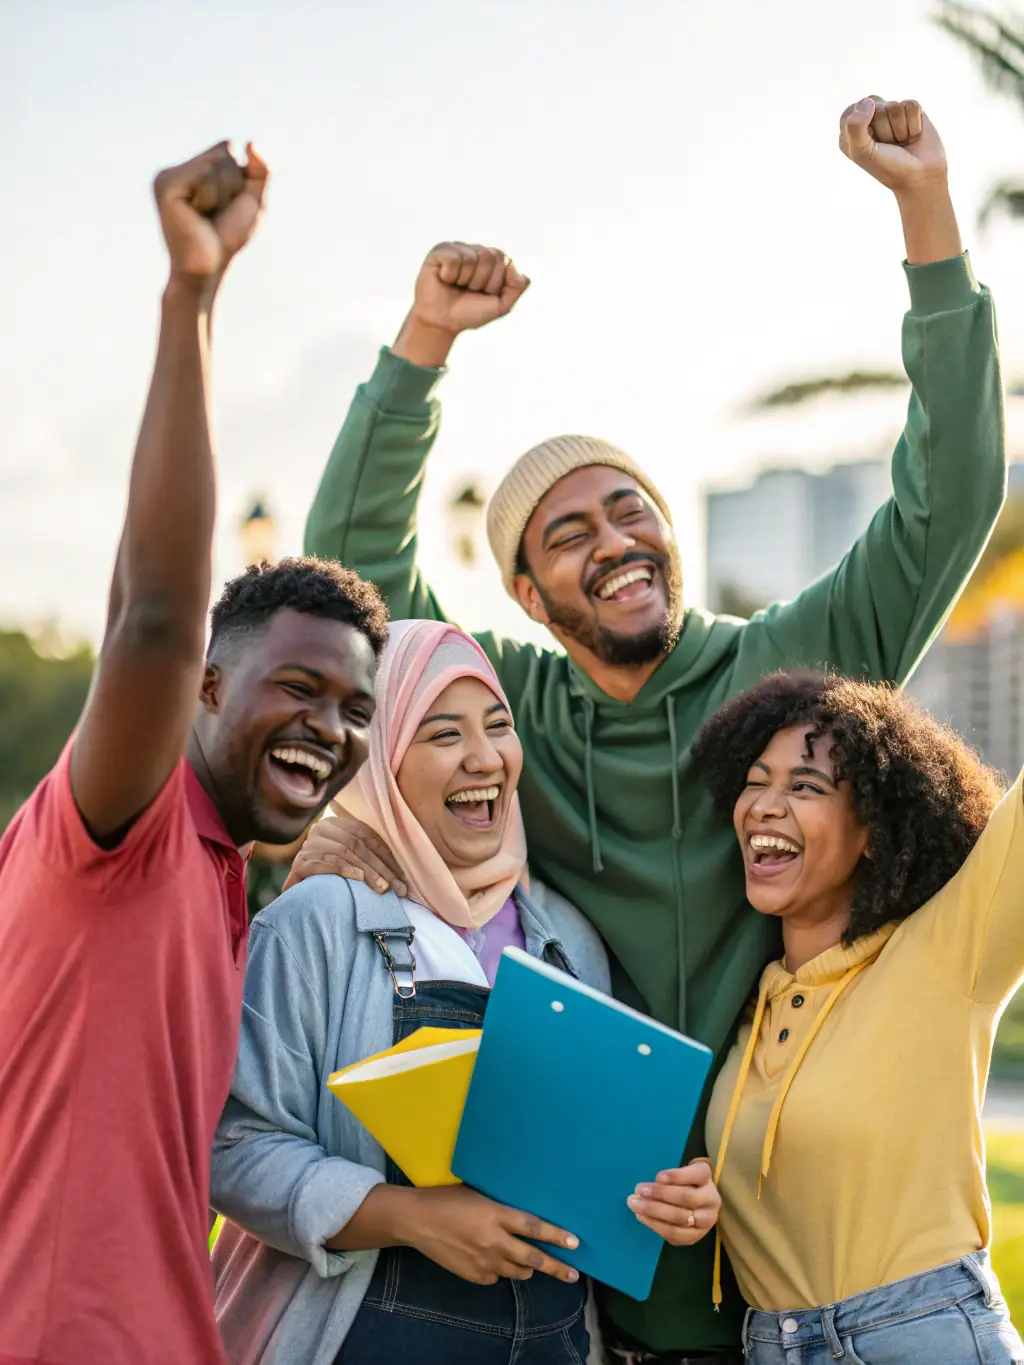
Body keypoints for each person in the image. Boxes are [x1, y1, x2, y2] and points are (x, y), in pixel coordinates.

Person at [294, 96, 1006, 1360]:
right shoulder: (513, 709)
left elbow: (944, 500)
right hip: (585, 1287)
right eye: (569, 534)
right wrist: (422, 345)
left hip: (777, 1259)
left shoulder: (785, 674)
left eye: (632, 511)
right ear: (528, 596)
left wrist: (924, 209)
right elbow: (354, 581)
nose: (615, 541)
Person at [0, 143, 389, 1365]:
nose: (332, 728)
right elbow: (154, 615)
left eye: (356, 709)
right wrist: (194, 296)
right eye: (300, 688)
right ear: (204, 690)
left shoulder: (223, 872)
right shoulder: (128, 822)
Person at [209, 618, 722, 1365]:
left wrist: (671, 1198)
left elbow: (591, 1166)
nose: (484, 756)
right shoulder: (315, 920)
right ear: (381, 758)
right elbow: (234, 1149)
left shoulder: (566, 938)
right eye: (443, 733)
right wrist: (411, 1217)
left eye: (498, 725)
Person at [692, 671, 1024, 1364]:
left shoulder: (943, 954)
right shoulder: (750, 1011)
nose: (766, 806)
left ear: (873, 828)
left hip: (923, 1336)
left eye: (806, 786)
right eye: (755, 782)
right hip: (771, 1344)